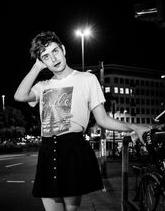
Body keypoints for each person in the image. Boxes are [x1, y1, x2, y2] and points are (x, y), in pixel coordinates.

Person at [14, 31, 151, 211]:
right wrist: (37, 67)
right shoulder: (43, 86)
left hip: (72, 149)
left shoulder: (87, 79)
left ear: (63, 49)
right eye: (46, 57)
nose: (53, 58)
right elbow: (20, 96)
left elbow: (103, 119)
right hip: (47, 150)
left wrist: (133, 127)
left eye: (55, 51)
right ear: (42, 62)